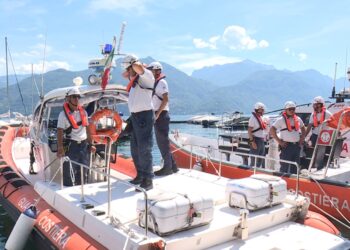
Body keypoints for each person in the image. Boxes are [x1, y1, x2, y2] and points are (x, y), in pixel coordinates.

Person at [121, 54, 155, 191]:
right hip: (135, 117)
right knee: (135, 148)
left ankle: (148, 179)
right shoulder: (135, 80)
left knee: (144, 149)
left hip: (144, 116)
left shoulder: (147, 77)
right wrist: (130, 70)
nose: (127, 72)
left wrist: (134, 63)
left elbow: (138, 68)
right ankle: (140, 175)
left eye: (129, 68)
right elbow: (125, 74)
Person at [57, 88, 95, 186]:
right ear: (68, 99)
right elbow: (60, 131)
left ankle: (82, 191)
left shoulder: (84, 113)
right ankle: (67, 191)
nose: (76, 99)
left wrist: (91, 144)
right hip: (71, 146)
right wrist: (60, 148)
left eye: (78, 96)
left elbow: (87, 130)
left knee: (84, 170)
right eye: (74, 97)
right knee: (69, 172)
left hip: (84, 146)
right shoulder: (62, 115)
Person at [148, 61, 179, 176]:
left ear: (156, 70)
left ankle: (167, 168)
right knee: (162, 142)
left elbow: (166, 99)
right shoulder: (155, 82)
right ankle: (173, 166)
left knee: (162, 143)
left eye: (151, 70)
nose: (149, 72)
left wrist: (157, 114)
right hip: (158, 114)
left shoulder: (161, 82)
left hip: (161, 114)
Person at [270, 101, 306, 174]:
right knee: (284, 166)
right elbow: (272, 129)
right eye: (290, 109)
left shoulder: (298, 119)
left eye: (293, 109)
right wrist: (280, 142)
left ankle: (293, 182)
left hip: (296, 146)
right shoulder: (281, 120)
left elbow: (303, 128)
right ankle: (283, 181)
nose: (292, 111)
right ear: (286, 110)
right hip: (286, 146)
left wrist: (302, 139)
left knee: (295, 167)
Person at [247, 102, 269, 168]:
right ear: (257, 110)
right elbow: (249, 131)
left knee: (261, 158)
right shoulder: (253, 118)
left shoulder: (261, 118)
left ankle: (258, 172)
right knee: (254, 160)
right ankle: (251, 172)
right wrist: (252, 142)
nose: (262, 111)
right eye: (261, 109)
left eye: (263, 110)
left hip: (261, 140)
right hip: (256, 140)